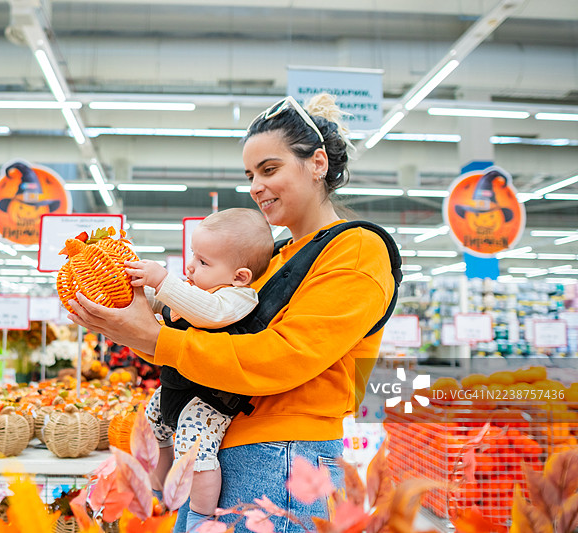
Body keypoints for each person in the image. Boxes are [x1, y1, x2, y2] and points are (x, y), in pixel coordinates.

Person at [67, 93, 397, 533]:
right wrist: (139, 318)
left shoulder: (356, 249)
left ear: (318, 163)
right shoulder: (276, 258)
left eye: (270, 169)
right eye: (250, 175)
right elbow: (220, 343)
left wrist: (154, 338)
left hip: (284, 457)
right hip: (233, 451)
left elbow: (284, 356)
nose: (256, 186)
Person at [125, 208, 274, 531]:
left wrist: (163, 281)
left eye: (204, 262)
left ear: (240, 276)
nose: (191, 265)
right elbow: (161, 302)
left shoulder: (237, 298)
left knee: (194, 454)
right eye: (194, 255)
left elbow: (208, 313)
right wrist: (133, 290)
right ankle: (158, 492)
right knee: (150, 431)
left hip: (206, 401)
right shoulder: (196, 291)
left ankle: (200, 515)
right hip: (176, 388)